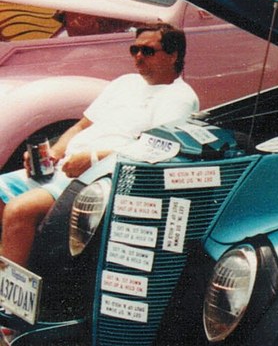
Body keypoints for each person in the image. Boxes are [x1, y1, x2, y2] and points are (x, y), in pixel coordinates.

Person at [0, 23, 199, 266]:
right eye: (134, 49)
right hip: (65, 167)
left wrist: (92, 160)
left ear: (173, 55)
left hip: (95, 179)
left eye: (147, 51)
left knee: (20, 210)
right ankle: (16, 260)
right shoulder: (124, 83)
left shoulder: (179, 98)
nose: (138, 57)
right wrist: (52, 154)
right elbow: (81, 126)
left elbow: (151, 151)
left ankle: (11, 292)